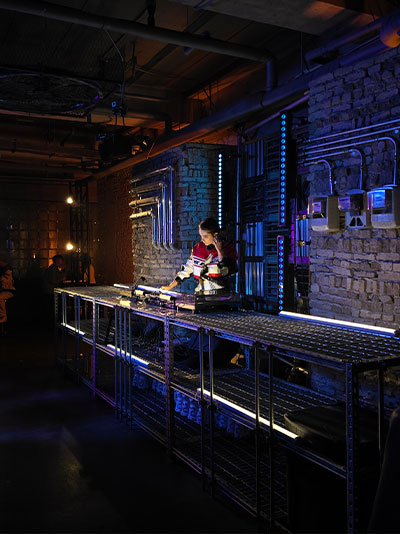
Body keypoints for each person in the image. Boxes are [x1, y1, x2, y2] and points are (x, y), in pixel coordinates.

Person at [162, 217, 237, 293]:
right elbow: (188, 268)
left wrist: (220, 251)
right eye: (201, 236)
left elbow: (227, 271)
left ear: (215, 235)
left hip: (220, 295)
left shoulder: (228, 250)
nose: (202, 239)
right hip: (201, 294)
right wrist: (170, 286)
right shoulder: (197, 248)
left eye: (205, 236)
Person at [0, 260, 15, 331]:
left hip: (10, 291)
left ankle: (3, 316)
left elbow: (6, 281)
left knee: (0, 297)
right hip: (6, 291)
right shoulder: (5, 271)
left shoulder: (8, 272)